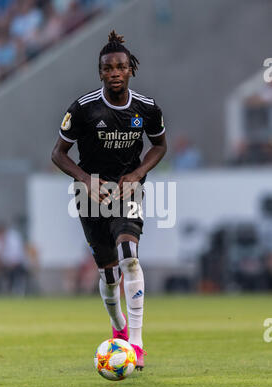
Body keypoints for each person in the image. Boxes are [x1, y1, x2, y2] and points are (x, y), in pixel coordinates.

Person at [52, 30, 167, 369]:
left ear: (131, 68)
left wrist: (136, 174)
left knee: (129, 255)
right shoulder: (83, 108)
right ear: (100, 72)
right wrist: (85, 179)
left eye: (120, 67)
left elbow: (160, 145)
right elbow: (58, 154)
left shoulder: (147, 109)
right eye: (108, 68)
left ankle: (136, 343)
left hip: (127, 189)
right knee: (108, 272)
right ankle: (118, 328)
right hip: (90, 193)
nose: (114, 73)